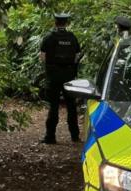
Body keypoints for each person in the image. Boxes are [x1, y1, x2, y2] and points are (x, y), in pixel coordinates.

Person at [40, 13, 81, 144]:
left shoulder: (49, 38)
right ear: (67, 23)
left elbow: (42, 57)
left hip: (53, 76)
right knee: (71, 106)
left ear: (55, 23)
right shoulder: (72, 38)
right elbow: (77, 56)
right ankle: (75, 137)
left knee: (53, 106)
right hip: (69, 76)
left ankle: (50, 137)